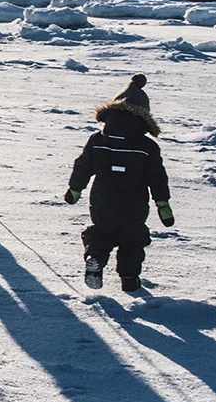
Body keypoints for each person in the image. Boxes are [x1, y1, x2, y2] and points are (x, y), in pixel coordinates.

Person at [65, 74, 174, 291]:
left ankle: (95, 255)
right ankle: (129, 279)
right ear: (144, 118)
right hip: (134, 203)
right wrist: (163, 204)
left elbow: (83, 165)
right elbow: (157, 177)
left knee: (102, 232)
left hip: (102, 200)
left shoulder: (97, 140)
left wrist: (75, 189)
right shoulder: (147, 147)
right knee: (132, 238)